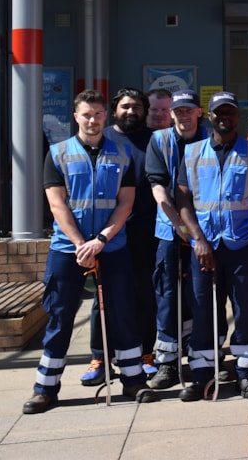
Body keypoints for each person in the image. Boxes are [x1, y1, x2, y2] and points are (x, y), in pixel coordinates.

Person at [23, 90, 153, 414]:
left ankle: (134, 381)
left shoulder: (123, 153)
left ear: (105, 117)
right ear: (75, 117)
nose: (93, 120)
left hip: (111, 246)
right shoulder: (57, 153)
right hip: (69, 249)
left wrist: (102, 240)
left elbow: (126, 202)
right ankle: (46, 388)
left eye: (98, 114)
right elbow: (56, 203)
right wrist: (82, 244)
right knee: (59, 316)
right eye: (86, 114)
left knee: (123, 312)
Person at [176, 91, 248, 400]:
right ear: (209, 115)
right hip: (204, 246)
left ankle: (246, 372)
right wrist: (198, 240)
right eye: (219, 112)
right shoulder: (192, 153)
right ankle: (202, 375)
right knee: (203, 310)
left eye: (230, 112)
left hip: (241, 244)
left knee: (244, 308)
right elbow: (182, 200)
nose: (224, 117)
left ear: (237, 116)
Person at [82, 88, 157, 384]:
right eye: (125, 107)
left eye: (137, 107)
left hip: (145, 231)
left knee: (144, 294)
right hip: (107, 232)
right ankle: (100, 355)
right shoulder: (104, 139)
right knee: (102, 297)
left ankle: (144, 353)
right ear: (115, 110)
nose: (131, 112)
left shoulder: (154, 139)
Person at [144, 89, 210, 388]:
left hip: (207, 230)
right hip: (170, 231)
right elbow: (158, 189)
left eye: (189, 110)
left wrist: (196, 231)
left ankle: (205, 360)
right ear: (172, 114)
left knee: (203, 296)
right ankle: (168, 363)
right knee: (168, 296)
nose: (184, 115)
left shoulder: (211, 138)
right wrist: (180, 226)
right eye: (178, 111)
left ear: (199, 112)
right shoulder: (159, 141)